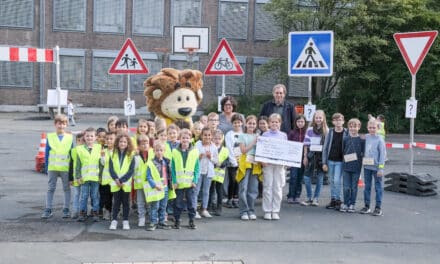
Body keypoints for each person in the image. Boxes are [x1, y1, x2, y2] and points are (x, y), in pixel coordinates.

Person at [41, 114, 73, 219]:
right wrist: (46, 166)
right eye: (59, 124)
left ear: (66, 125)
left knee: (66, 189)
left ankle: (66, 209)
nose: (61, 126)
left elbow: (72, 155)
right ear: (55, 124)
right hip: (52, 168)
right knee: (51, 189)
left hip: (65, 168)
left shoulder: (70, 138)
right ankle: (48, 209)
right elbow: (46, 153)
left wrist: (72, 170)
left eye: (64, 124)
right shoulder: (50, 137)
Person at [261, 113, 288, 220]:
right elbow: (261, 149)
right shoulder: (265, 135)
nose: (274, 123)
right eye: (272, 122)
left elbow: (286, 150)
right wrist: (262, 160)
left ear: (280, 123)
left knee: (277, 188)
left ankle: (275, 210)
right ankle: (267, 210)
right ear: (269, 123)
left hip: (279, 165)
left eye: (276, 122)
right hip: (267, 164)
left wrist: (286, 162)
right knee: (268, 187)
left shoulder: (283, 135)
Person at [171, 129, 200, 230]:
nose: (185, 140)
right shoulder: (174, 152)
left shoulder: (195, 152)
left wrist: (195, 180)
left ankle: (191, 220)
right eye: (183, 138)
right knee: (177, 203)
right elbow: (173, 168)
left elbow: (197, 168)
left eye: (187, 138)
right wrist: (174, 181)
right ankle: (177, 220)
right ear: (180, 139)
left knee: (191, 203)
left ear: (190, 139)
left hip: (190, 184)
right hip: (178, 183)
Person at [108, 133, 136, 230]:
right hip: (116, 182)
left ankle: (125, 221)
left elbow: (131, 170)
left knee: (125, 203)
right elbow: (110, 169)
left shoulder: (131, 155)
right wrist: (116, 179)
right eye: (121, 141)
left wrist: (122, 180)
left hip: (125, 183)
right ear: (117, 142)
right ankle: (114, 220)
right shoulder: (112, 154)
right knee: (116, 202)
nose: (122, 143)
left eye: (125, 142)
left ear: (128, 143)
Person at [236, 115, 262, 220]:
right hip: (245, 164)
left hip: (255, 164)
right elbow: (243, 150)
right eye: (249, 123)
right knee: (243, 188)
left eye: (253, 123)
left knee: (253, 189)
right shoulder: (242, 136)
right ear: (246, 124)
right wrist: (254, 142)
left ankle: (251, 210)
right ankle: (243, 211)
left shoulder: (258, 136)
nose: (251, 125)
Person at [301, 110, 328, 206]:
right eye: (317, 117)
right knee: (306, 177)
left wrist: (326, 161)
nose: (318, 119)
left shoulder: (326, 131)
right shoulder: (309, 130)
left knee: (320, 178)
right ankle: (309, 197)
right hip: (311, 155)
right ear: (314, 118)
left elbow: (327, 146)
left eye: (320, 117)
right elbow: (306, 144)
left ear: (323, 118)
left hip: (321, 157)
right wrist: (305, 157)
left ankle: (316, 198)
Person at [75, 127, 103, 222]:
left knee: (95, 196)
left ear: (95, 138)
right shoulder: (79, 149)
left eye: (92, 136)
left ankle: (95, 212)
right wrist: (78, 176)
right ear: (84, 137)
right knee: (84, 196)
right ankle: (82, 212)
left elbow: (101, 164)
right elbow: (78, 165)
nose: (89, 138)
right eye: (87, 136)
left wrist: (101, 176)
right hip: (84, 178)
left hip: (95, 178)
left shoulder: (99, 148)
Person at [360, 119, 386, 216]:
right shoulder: (365, 137)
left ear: (378, 128)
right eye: (370, 128)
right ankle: (367, 206)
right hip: (367, 167)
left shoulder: (380, 139)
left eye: (374, 128)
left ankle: (378, 207)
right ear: (367, 128)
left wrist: (380, 168)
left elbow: (382, 155)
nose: (372, 129)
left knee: (378, 187)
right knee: (367, 187)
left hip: (376, 168)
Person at [322, 113, 348, 211]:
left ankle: (338, 199)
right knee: (332, 181)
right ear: (333, 122)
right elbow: (325, 147)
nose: (338, 122)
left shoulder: (346, 132)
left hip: (340, 161)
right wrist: (324, 162)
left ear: (343, 121)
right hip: (330, 160)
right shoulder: (330, 132)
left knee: (337, 180)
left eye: (340, 120)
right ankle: (333, 199)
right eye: (336, 120)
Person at [146, 141, 172, 231]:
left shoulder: (167, 161)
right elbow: (148, 177)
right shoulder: (151, 163)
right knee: (155, 206)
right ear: (154, 151)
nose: (159, 152)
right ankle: (153, 222)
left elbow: (169, 175)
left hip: (165, 188)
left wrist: (170, 185)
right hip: (156, 188)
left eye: (161, 150)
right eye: (157, 150)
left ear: (164, 151)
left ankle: (162, 222)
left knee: (163, 206)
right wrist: (154, 185)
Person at [340, 118, 365, 213]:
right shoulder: (345, 139)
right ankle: (346, 203)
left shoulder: (362, 140)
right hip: (346, 166)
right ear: (348, 127)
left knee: (354, 187)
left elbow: (363, 153)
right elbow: (342, 151)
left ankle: (352, 204)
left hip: (356, 167)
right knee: (346, 187)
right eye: (350, 126)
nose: (352, 128)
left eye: (355, 126)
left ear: (359, 127)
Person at [194, 127, 218, 218]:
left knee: (206, 191)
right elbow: (193, 159)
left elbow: (216, 161)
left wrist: (210, 157)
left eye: (209, 135)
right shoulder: (197, 145)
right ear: (201, 136)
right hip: (199, 172)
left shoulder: (214, 146)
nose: (207, 137)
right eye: (205, 135)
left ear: (211, 136)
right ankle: (194, 210)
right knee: (196, 191)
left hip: (209, 172)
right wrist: (199, 157)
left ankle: (204, 209)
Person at [133, 135, 153, 227]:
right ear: (138, 145)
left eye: (147, 143)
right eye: (142, 144)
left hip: (150, 183)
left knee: (149, 201)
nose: (145, 145)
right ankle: (141, 217)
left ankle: (150, 217)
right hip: (139, 183)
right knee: (140, 201)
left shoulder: (152, 154)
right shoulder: (135, 156)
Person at [224, 113, 243, 208]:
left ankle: (236, 198)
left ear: (242, 123)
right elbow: (229, 148)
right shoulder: (229, 134)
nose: (237, 124)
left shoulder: (244, 134)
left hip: (242, 161)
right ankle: (229, 198)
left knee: (238, 180)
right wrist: (234, 161)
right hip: (232, 162)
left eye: (239, 122)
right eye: (235, 123)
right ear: (232, 124)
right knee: (232, 180)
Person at [287, 115, 307, 204]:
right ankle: (291, 195)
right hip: (293, 158)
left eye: (302, 122)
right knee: (293, 177)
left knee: (300, 178)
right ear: (296, 123)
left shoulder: (307, 133)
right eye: (298, 122)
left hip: (303, 158)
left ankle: (297, 195)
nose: (300, 123)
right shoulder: (291, 133)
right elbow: (288, 146)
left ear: (305, 123)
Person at [209, 129, 229, 216]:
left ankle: (219, 207)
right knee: (210, 190)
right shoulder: (210, 148)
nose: (217, 140)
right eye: (215, 138)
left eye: (219, 139)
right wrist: (214, 165)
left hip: (220, 175)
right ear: (212, 139)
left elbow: (227, 161)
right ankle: (210, 206)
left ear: (222, 139)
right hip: (211, 173)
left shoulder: (225, 150)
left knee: (219, 191)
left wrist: (221, 164)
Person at [100, 131, 116, 220]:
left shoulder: (117, 151)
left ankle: (115, 212)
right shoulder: (104, 151)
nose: (109, 141)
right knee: (107, 197)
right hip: (106, 179)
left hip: (114, 179)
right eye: (107, 139)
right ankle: (107, 212)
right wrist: (102, 156)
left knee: (116, 197)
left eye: (111, 139)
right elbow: (103, 163)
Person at [70, 132, 84, 219]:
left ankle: (83, 210)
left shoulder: (87, 150)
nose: (80, 142)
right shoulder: (73, 151)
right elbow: (70, 166)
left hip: (85, 177)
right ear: (76, 141)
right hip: (76, 177)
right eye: (78, 140)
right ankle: (75, 210)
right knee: (76, 194)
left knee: (84, 195)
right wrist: (70, 178)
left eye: (82, 141)